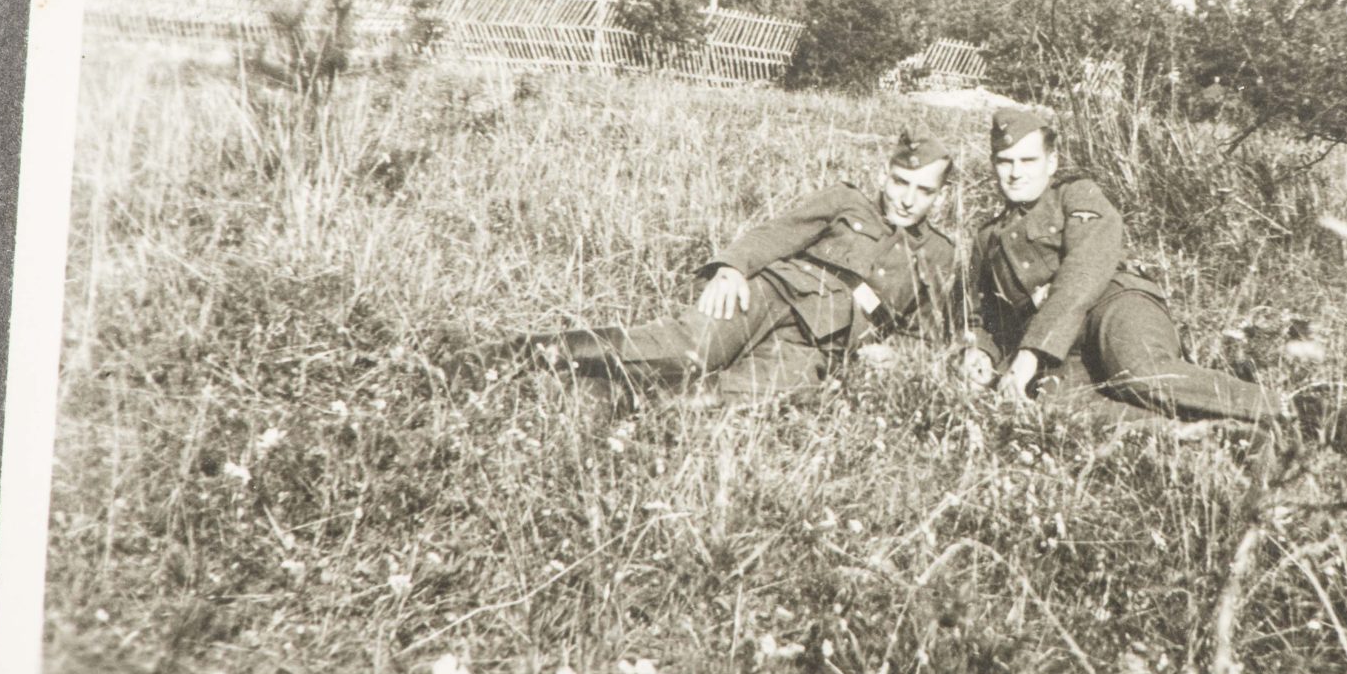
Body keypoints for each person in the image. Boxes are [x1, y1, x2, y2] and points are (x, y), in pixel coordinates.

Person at [520, 130, 958, 409]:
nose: (907, 200)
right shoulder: (846, 201)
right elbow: (777, 233)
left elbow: (923, 334)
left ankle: (606, 396)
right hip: (771, 296)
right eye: (900, 182)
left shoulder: (940, 254)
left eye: (923, 191)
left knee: (740, 393)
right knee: (691, 351)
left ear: (941, 196)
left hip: (822, 348)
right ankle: (522, 353)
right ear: (884, 176)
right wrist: (731, 268)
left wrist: (897, 355)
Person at [964, 105, 1286, 425]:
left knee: (1141, 374)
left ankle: (1283, 408)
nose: (1016, 173)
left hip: (1112, 306)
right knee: (1059, 404)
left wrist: (1031, 353)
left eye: (1028, 161)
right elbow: (981, 315)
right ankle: (1195, 435)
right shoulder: (986, 237)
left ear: (1052, 163)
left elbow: (1084, 270)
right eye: (1005, 161)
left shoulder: (1076, 195)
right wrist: (981, 352)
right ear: (993, 165)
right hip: (1064, 348)